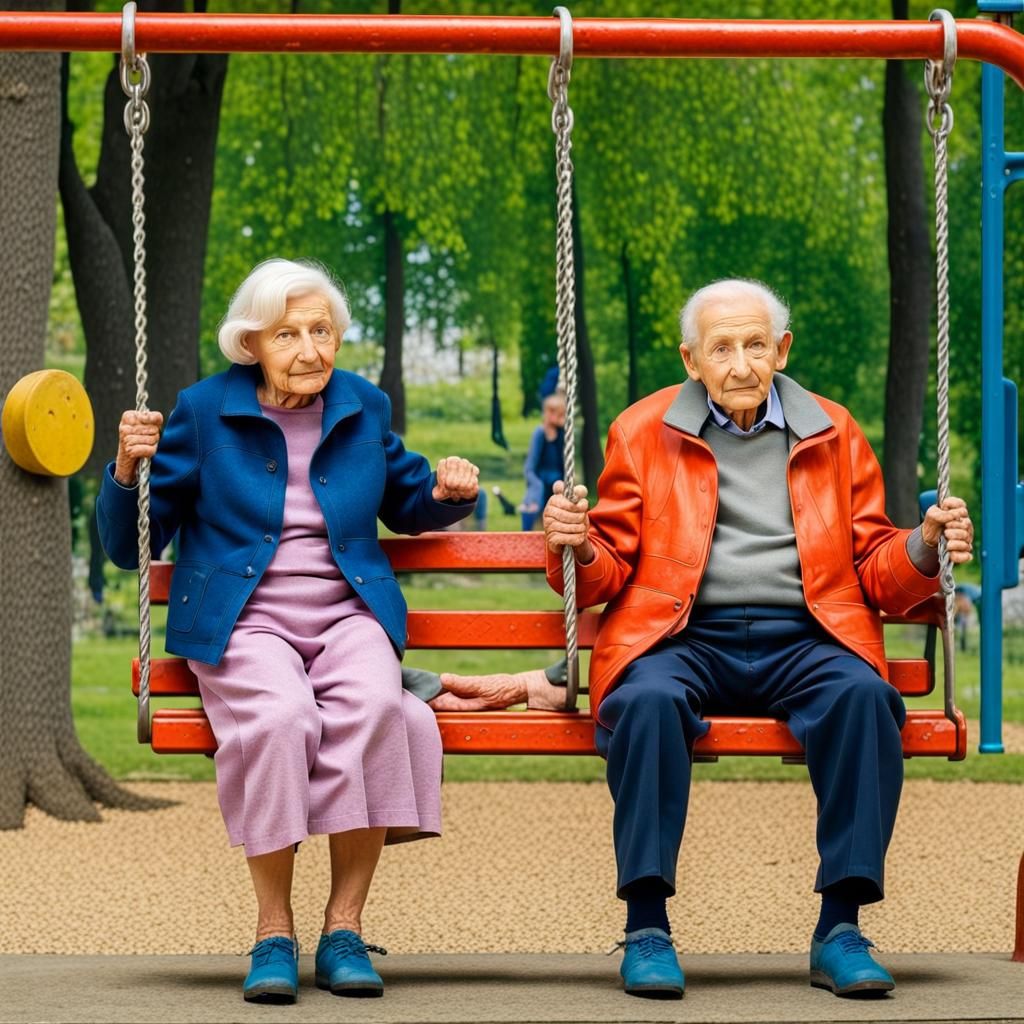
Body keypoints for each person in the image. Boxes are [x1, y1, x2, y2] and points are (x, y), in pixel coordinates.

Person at [542, 279, 974, 1001]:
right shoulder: (641, 431)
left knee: (865, 699)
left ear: (782, 350)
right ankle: (647, 927)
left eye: (755, 346)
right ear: (691, 360)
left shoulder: (833, 431)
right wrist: (577, 547)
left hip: (806, 635)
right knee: (645, 703)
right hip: (682, 634)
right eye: (721, 348)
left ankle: (841, 929)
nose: (740, 364)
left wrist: (924, 546)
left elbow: (876, 570)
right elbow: (606, 572)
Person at [97, 258, 479, 1005]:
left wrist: (444, 490)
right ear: (252, 343)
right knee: (281, 719)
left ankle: (344, 929)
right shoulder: (204, 412)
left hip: (348, 614)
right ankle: (274, 930)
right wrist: (124, 467)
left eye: (322, 331)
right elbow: (128, 544)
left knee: (375, 711)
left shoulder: (362, 406)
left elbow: (408, 496)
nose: (311, 348)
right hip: (246, 619)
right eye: (289, 333)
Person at [520, 391, 566, 531]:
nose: (555, 417)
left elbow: (564, 463)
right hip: (540, 479)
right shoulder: (539, 433)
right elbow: (530, 467)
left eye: (560, 414)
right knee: (535, 495)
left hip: (556, 480)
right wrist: (536, 485)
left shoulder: (562, 434)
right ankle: (527, 530)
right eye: (552, 413)